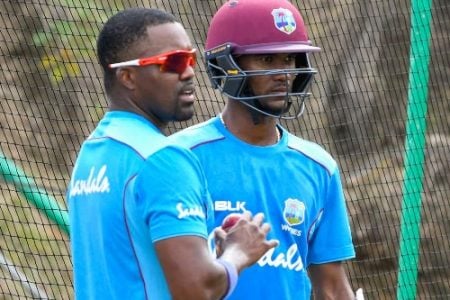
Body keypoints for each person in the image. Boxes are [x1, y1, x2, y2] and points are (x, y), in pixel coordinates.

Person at [67, 8, 278, 300]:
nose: (189, 72)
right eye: (174, 62)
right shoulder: (162, 159)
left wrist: (210, 257)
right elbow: (196, 289)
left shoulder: (92, 154)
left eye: (190, 59)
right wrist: (239, 253)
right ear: (128, 76)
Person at [170, 0, 356, 299]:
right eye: (267, 60)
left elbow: (332, 287)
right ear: (225, 65)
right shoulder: (180, 157)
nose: (284, 73)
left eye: (290, 59)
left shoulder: (319, 166)